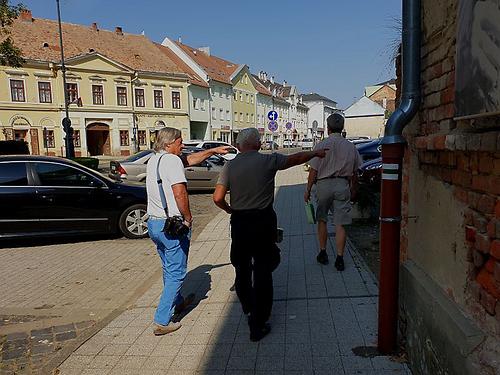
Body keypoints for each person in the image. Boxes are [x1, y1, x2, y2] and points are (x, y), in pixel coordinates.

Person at [213, 128, 327, 341]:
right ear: (257, 144)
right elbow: (296, 158)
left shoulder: (229, 166)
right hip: (263, 222)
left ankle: (248, 309)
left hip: (239, 223)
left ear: (239, 145)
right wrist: (315, 154)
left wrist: (230, 210)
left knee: (242, 269)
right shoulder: (268, 161)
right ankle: (258, 323)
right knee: (263, 271)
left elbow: (217, 197)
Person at [146, 127, 229, 336]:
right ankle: (162, 320)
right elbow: (179, 192)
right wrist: (188, 218)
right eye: (180, 142)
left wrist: (213, 151)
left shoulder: (155, 159)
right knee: (177, 273)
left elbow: (190, 159)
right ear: (168, 144)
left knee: (168, 267)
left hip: (155, 225)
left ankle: (178, 302)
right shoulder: (172, 161)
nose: (183, 145)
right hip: (172, 225)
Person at [304, 113, 362, 271]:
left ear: (328, 128)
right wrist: (354, 188)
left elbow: (313, 171)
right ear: (342, 127)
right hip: (342, 184)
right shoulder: (350, 146)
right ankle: (340, 258)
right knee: (340, 223)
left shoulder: (321, 145)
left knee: (322, 219)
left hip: (323, 185)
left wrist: (308, 190)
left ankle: (322, 253)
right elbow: (355, 172)